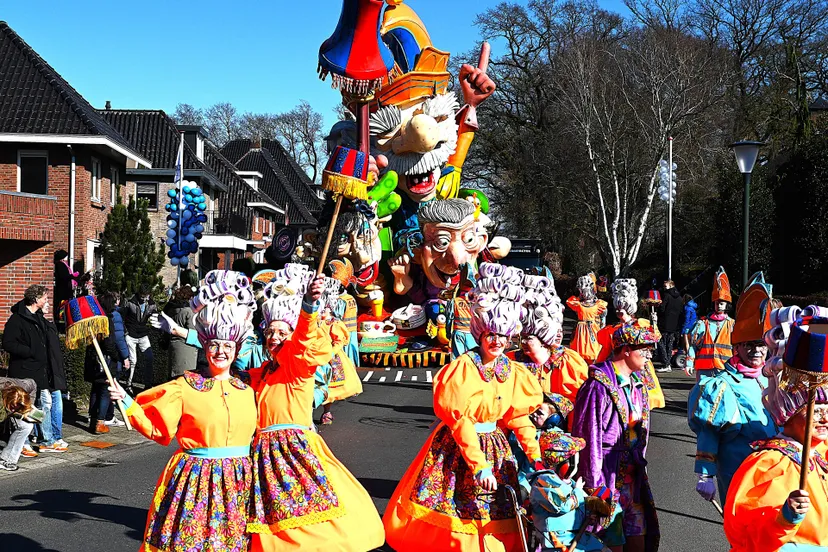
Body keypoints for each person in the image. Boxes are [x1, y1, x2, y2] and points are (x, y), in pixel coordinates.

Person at [383, 263, 544, 552]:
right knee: (456, 514)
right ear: (480, 334)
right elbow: (461, 423)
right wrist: (479, 465)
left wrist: (537, 457)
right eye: (490, 334)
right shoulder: (462, 370)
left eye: (502, 336)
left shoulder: (514, 372)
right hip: (458, 450)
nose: (496, 342)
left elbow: (519, 418)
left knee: (497, 516)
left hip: (495, 449)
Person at [109, 271, 258, 551]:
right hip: (195, 480)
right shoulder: (185, 386)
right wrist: (127, 402)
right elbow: (159, 430)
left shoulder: (247, 391)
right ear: (205, 345)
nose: (221, 351)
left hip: (239, 483)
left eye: (227, 346)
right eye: (214, 344)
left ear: (236, 350)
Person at [245, 265, 384, 552]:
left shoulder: (297, 364)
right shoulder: (265, 370)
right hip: (264, 449)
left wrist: (308, 308)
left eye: (282, 332)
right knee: (273, 512)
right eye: (270, 331)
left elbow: (304, 342)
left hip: (291, 447)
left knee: (302, 510)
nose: (274, 337)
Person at [572, 319, 662, 552]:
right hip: (605, 478)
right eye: (644, 350)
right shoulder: (597, 386)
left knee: (638, 540)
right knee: (607, 541)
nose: (649, 356)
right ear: (626, 350)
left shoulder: (638, 384)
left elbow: (639, 432)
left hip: (633, 477)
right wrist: (593, 486)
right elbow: (587, 437)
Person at [688, 272, 777, 505]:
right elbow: (709, 430)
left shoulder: (773, 379)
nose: (757, 351)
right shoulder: (721, 385)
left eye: (761, 346)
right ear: (737, 347)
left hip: (772, 472)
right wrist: (705, 473)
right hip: (737, 469)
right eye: (750, 345)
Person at [725, 382, 828, 549]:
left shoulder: (820, 453)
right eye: (816, 411)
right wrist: (785, 519)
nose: (825, 418)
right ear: (789, 415)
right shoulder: (771, 463)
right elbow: (745, 533)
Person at [2, 285, 68, 453]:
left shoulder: (39, 318)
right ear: (36, 299)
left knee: (45, 403)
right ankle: (23, 443)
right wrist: (29, 351)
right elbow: (8, 343)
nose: (47, 300)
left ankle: (46, 439)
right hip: (24, 371)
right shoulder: (17, 320)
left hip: (41, 370)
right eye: (45, 297)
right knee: (25, 406)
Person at [530, 430, 617, 552]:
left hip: (577, 537)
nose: (576, 467)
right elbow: (561, 505)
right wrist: (577, 491)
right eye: (574, 463)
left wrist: (590, 512)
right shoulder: (544, 482)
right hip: (559, 542)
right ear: (563, 463)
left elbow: (580, 504)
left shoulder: (569, 482)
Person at [515, 271, 588, 410]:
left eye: (528, 339)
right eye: (522, 338)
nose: (523, 343)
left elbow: (577, 401)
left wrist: (553, 412)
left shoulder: (568, 362)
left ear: (543, 340)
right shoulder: (513, 360)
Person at [596, 279, 665, 410]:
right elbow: (605, 351)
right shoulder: (612, 329)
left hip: (639, 363)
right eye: (617, 311)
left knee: (643, 397)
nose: (618, 314)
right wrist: (598, 365)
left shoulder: (640, 324)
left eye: (621, 311)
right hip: (620, 366)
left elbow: (654, 339)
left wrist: (654, 325)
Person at [85, 293, 129, 434]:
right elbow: (110, 343)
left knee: (95, 390)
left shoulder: (93, 319)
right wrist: (118, 357)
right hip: (105, 361)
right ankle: (100, 422)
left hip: (93, 360)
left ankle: (92, 420)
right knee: (105, 391)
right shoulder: (107, 320)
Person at [319, 296, 362, 425]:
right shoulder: (314, 323)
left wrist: (330, 353)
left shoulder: (333, 323)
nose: (320, 313)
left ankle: (326, 412)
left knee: (329, 387)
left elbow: (339, 341)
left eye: (323, 311)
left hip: (330, 358)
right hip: (315, 356)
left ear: (329, 310)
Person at [685, 267, 735, 379]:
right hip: (704, 370)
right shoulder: (702, 324)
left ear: (727, 305)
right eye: (717, 303)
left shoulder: (732, 325)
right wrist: (689, 362)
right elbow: (694, 346)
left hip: (726, 370)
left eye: (722, 303)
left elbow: (737, 349)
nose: (719, 305)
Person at [121, 286, 158, 391]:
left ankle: (148, 384)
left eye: (146, 297)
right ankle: (128, 384)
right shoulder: (130, 302)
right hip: (131, 334)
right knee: (133, 361)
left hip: (143, 334)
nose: (144, 299)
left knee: (149, 358)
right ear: (139, 294)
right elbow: (122, 317)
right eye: (142, 296)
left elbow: (155, 316)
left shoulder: (151, 304)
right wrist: (126, 332)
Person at [567, 274, 608, 364]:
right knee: (579, 350)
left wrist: (602, 330)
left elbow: (603, 320)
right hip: (580, 330)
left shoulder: (599, 305)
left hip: (592, 329)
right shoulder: (577, 303)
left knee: (593, 349)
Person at [0, 386, 39, 471]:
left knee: (27, 426)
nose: (14, 409)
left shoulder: (25, 387)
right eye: (13, 406)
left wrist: (25, 414)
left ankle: (8, 459)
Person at [162, 286, 198, 378]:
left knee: (173, 375)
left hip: (173, 345)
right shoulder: (189, 311)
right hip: (187, 347)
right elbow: (192, 332)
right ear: (190, 297)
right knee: (186, 376)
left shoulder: (171, 309)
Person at [655, 280, 683, 372]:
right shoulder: (679, 297)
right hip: (674, 323)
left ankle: (666, 363)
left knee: (661, 342)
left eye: (665, 286)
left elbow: (662, 309)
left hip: (664, 323)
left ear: (670, 286)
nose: (664, 288)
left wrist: (658, 307)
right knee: (669, 344)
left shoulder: (666, 296)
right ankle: (668, 363)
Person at [52, 250, 78, 328]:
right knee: (62, 306)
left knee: (65, 305)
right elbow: (63, 277)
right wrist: (72, 276)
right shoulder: (60, 265)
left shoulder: (64, 264)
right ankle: (61, 322)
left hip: (66, 289)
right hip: (63, 291)